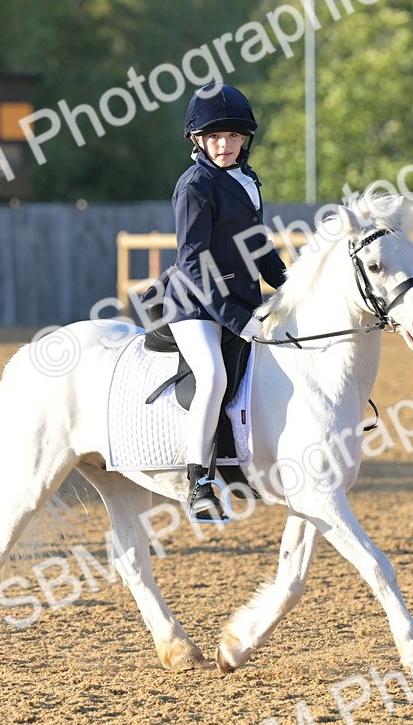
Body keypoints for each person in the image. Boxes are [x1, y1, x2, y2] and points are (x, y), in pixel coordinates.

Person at [161, 84, 287, 523]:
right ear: (198, 139)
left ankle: (246, 464)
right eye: (216, 137)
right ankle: (199, 482)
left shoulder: (246, 180)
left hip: (241, 297)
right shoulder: (194, 186)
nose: (226, 145)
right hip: (195, 305)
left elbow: (257, 244)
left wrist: (288, 286)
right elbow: (193, 263)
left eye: (234, 136)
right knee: (213, 376)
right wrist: (236, 318)